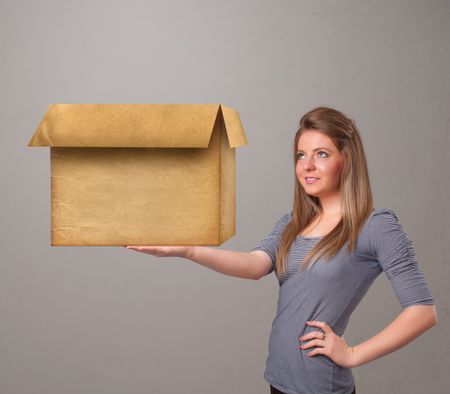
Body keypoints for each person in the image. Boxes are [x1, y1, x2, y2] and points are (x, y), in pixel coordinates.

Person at [124, 106, 438, 394]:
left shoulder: (375, 226)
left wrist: (352, 354)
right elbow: (253, 265)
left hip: (320, 387)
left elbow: (423, 312)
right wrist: (188, 250)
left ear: (347, 159)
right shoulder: (292, 222)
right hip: (279, 381)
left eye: (322, 154)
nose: (308, 166)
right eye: (301, 155)